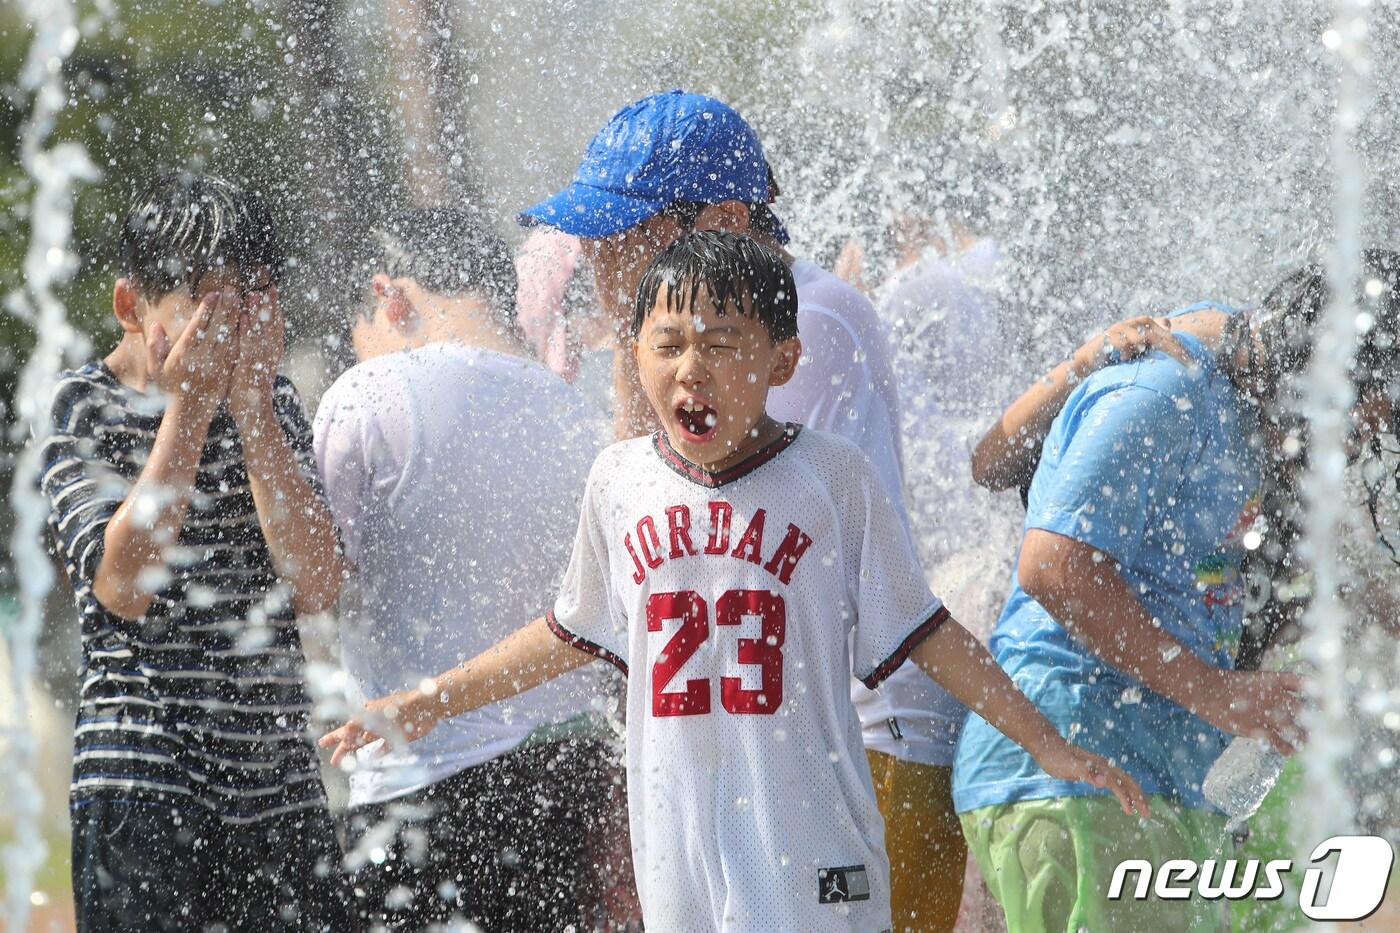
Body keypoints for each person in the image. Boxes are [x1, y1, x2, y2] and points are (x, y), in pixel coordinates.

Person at [320, 231, 1150, 933]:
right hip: (679, 860)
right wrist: (430, 698)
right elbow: (569, 632)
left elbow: (926, 632)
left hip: (815, 851)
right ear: (633, 351)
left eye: (722, 344)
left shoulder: (832, 480)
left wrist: (1046, 741)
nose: (691, 369)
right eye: (668, 344)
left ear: (783, 356)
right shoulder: (619, 484)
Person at [518, 90, 974, 930]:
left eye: (623, 234)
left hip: (858, 743)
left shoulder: (805, 319)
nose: (599, 259)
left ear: (726, 218)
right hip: (783, 745)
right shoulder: (695, 332)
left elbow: (736, 540)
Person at [953, 251, 1400, 932]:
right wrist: (1215, 692)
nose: (1355, 444)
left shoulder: (1252, 412)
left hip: (1159, 781)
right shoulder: (1167, 390)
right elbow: (1053, 566)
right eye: (1354, 418)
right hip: (1078, 768)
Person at [39, 172, 353, 930]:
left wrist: (248, 413)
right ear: (130, 305)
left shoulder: (271, 403)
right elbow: (123, 585)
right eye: (205, 305)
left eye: (245, 301)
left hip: (278, 792)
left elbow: (316, 586)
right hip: (142, 788)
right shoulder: (84, 405)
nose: (229, 329)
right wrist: (189, 405)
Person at [313, 208, 631, 931]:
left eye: (358, 333)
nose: (360, 351)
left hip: (424, 776)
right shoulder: (576, 413)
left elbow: (312, 579)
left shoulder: (369, 393)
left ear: (389, 296)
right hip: (569, 772)